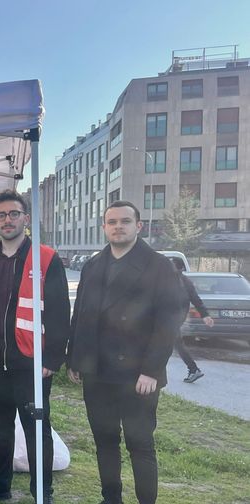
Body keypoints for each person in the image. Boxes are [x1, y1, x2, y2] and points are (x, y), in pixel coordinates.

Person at [68, 201, 185, 504]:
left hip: (138, 374)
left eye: (125, 221)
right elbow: (81, 313)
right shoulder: (94, 264)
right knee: (105, 441)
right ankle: (111, 499)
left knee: (140, 443)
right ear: (104, 226)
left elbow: (169, 321)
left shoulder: (158, 265)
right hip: (97, 371)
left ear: (138, 226)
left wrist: (152, 369)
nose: (118, 226)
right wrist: (75, 358)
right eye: (112, 222)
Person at [0, 190, 70, 503]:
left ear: (26, 218)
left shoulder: (46, 258)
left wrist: (52, 357)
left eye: (13, 214)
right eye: (1, 215)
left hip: (30, 361)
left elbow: (60, 311)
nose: (7, 220)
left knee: (37, 428)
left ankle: (42, 492)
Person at [168, 257, 212, 383]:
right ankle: (193, 369)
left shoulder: (182, 281)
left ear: (179, 268)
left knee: (167, 343)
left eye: (170, 265)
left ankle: (193, 369)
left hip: (173, 318)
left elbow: (195, 299)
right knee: (173, 344)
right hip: (170, 317)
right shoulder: (169, 279)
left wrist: (205, 315)